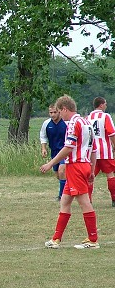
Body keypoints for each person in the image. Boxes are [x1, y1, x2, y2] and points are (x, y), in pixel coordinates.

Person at [41, 95, 99, 249]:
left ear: (65, 109)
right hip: (84, 165)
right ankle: (56, 239)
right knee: (65, 201)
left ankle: (93, 240)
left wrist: (50, 163)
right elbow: (94, 149)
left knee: (84, 202)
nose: (59, 115)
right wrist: (92, 170)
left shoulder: (73, 123)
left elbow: (68, 147)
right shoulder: (86, 122)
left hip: (76, 166)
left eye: (59, 111)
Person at [86, 97, 115, 205]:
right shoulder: (105, 116)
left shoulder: (88, 117)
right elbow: (111, 133)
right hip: (104, 151)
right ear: (101, 105)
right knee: (110, 174)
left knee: (90, 176)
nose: (106, 106)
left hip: (91, 151)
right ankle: (114, 199)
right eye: (105, 104)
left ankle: (88, 200)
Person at [40, 104, 67, 200]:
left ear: (59, 112)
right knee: (58, 175)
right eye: (50, 112)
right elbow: (43, 137)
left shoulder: (66, 123)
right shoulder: (46, 124)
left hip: (65, 152)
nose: (52, 115)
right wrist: (44, 148)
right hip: (54, 152)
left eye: (55, 112)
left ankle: (62, 196)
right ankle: (68, 189)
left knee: (62, 170)